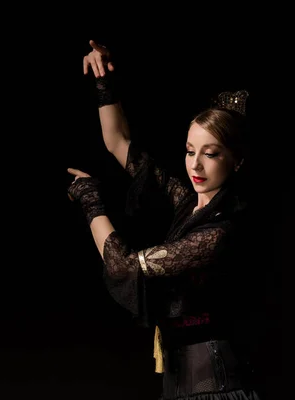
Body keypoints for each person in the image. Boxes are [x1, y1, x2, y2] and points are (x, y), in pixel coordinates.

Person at [67, 40, 262, 400]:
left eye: (211, 153)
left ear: (236, 161)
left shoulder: (219, 233)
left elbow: (123, 265)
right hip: (177, 387)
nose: (195, 165)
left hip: (215, 389)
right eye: (190, 151)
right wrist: (102, 80)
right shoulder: (188, 205)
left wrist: (91, 202)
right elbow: (118, 142)